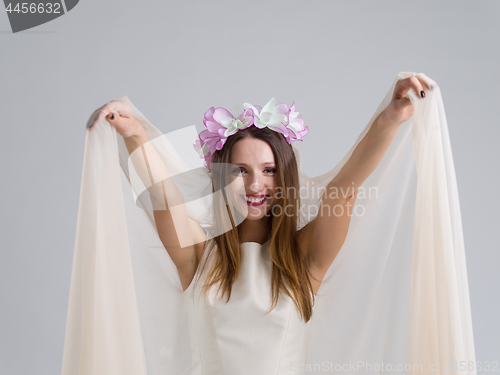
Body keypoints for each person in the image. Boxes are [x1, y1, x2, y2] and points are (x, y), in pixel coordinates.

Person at [63, 72, 476, 375]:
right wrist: (133, 133)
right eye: (240, 171)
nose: (255, 184)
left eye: (269, 170)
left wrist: (390, 118)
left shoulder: (304, 262)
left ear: (285, 179)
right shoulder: (197, 257)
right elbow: (163, 195)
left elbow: (343, 191)